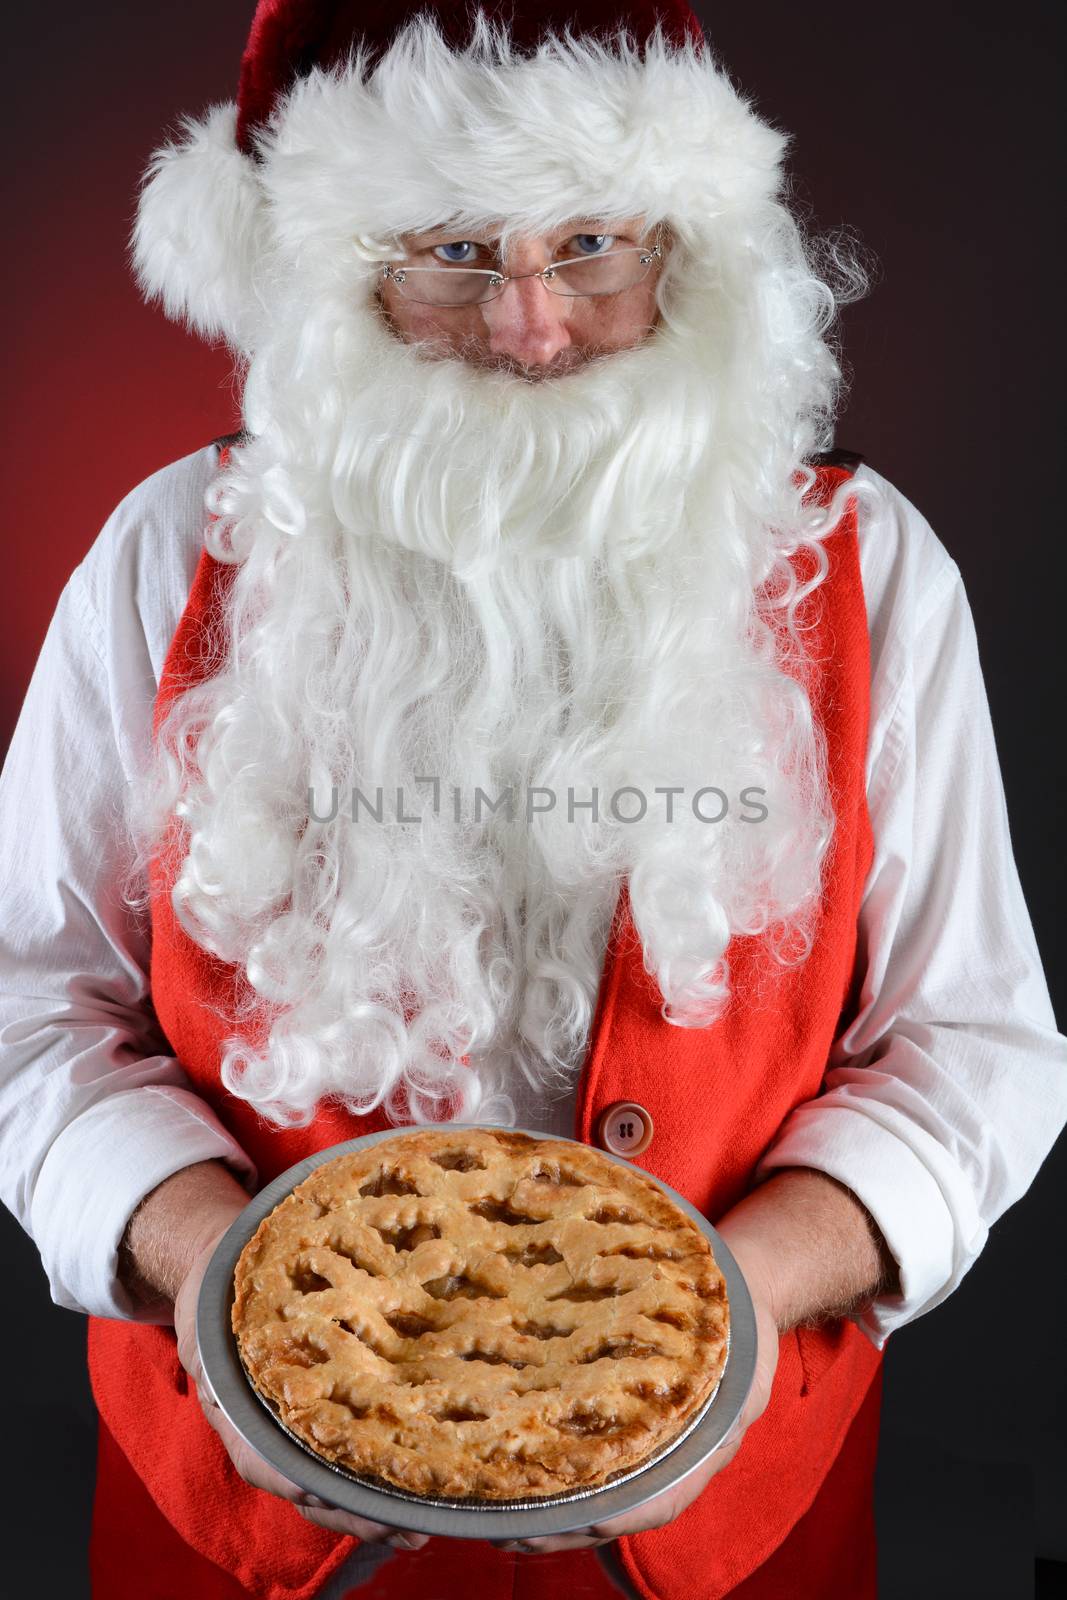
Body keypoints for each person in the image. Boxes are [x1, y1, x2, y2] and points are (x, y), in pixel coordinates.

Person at [0, 2, 1064, 1597]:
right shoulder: (168, 559)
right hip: (236, 1522)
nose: (535, 331)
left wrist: (749, 1298)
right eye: (451, 252)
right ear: (336, 271)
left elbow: (975, 1049)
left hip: (733, 1527)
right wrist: (219, 1265)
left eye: (587, 243)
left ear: (683, 249)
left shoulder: (872, 574)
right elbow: (27, 1004)